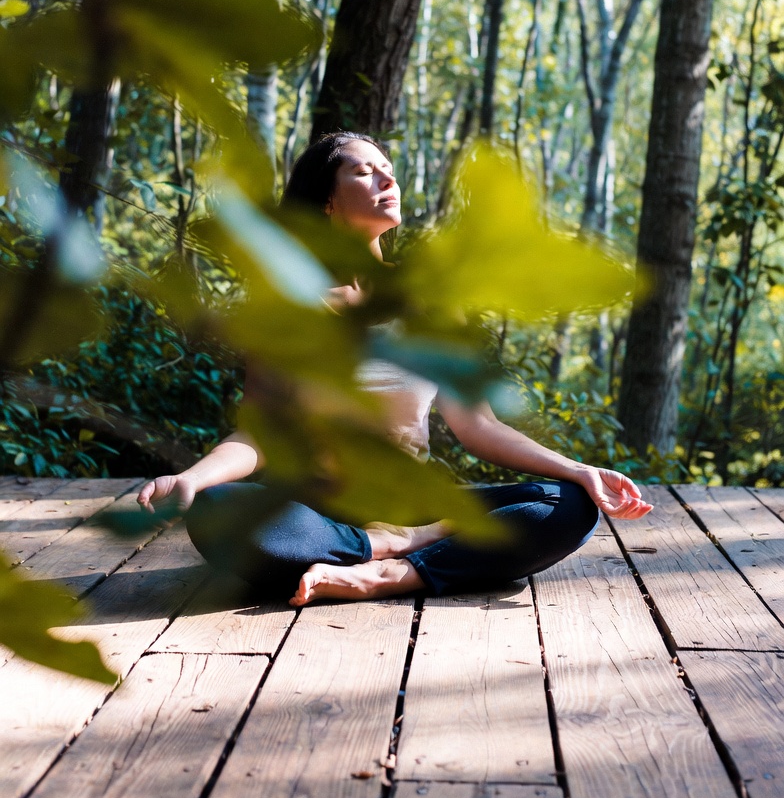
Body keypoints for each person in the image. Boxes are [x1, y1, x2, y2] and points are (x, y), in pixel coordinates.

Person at [138, 132, 652, 606]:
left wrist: (579, 470)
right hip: (318, 516)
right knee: (217, 509)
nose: (389, 180)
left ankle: (393, 572)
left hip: (419, 507)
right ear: (326, 201)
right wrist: (191, 477)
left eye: (389, 169)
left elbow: (479, 424)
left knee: (568, 504)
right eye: (366, 172)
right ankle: (390, 547)